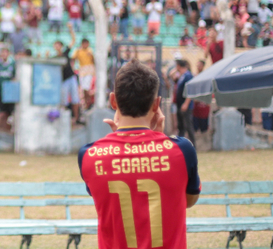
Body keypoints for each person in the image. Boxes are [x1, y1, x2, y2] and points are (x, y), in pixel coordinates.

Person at [78, 60, 201, 249]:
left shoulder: (89, 155)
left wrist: (116, 140)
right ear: (156, 104)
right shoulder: (183, 150)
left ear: (113, 101)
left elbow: (106, 201)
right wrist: (159, 138)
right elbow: (187, 201)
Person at [174, 59, 195, 145]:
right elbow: (171, 76)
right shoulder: (181, 76)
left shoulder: (188, 75)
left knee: (188, 126)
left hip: (185, 105)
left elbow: (191, 90)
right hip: (180, 105)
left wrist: (186, 103)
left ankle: (193, 145)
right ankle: (180, 145)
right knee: (181, 126)